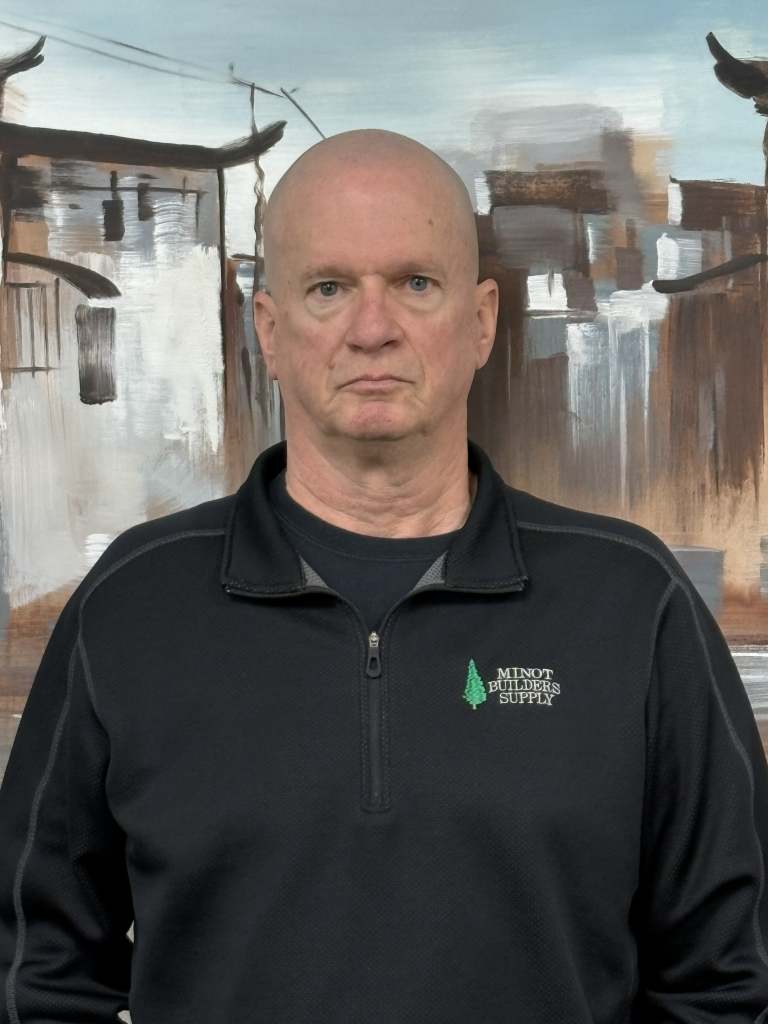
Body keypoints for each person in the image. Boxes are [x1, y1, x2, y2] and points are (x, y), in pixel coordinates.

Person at [1, 127, 767, 1024]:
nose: (373, 330)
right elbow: (33, 969)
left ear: (481, 320)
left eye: (415, 283)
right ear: (270, 328)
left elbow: (732, 979)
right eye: (329, 288)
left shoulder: (632, 604)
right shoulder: (134, 606)